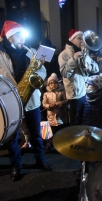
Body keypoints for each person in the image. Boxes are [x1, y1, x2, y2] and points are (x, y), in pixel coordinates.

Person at [0, 20, 53, 181]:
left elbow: (43, 69)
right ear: (10, 37)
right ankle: (16, 165)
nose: (23, 38)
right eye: (19, 35)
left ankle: (40, 159)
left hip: (32, 98)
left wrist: (38, 78)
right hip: (10, 100)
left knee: (36, 132)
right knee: (12, 136)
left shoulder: (31, 51)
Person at [59, 29, 99, 125]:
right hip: (74, 95)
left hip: (85, 91)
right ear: (72, 39)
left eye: (83, 39)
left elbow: (96, 69)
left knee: (84, 120)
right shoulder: (63, 54)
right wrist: (73, 59)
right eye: (79, 38)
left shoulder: (83, 52)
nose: (82, 41)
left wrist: (90, 67)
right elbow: (65, 73)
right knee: (75, 122)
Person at [42, 73, 69, 149]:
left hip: (61, 116)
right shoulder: (46, 94)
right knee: (50, 131)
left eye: (55, 83)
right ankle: (49, 143)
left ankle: (61, 143)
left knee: (61, 130)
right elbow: (44, 103)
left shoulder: (62, 92)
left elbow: (67, 100)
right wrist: (48, 106)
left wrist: (60, 103)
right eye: (51, 83)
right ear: (48, 85)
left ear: (58, 83)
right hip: (51, 116)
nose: (53, 85)